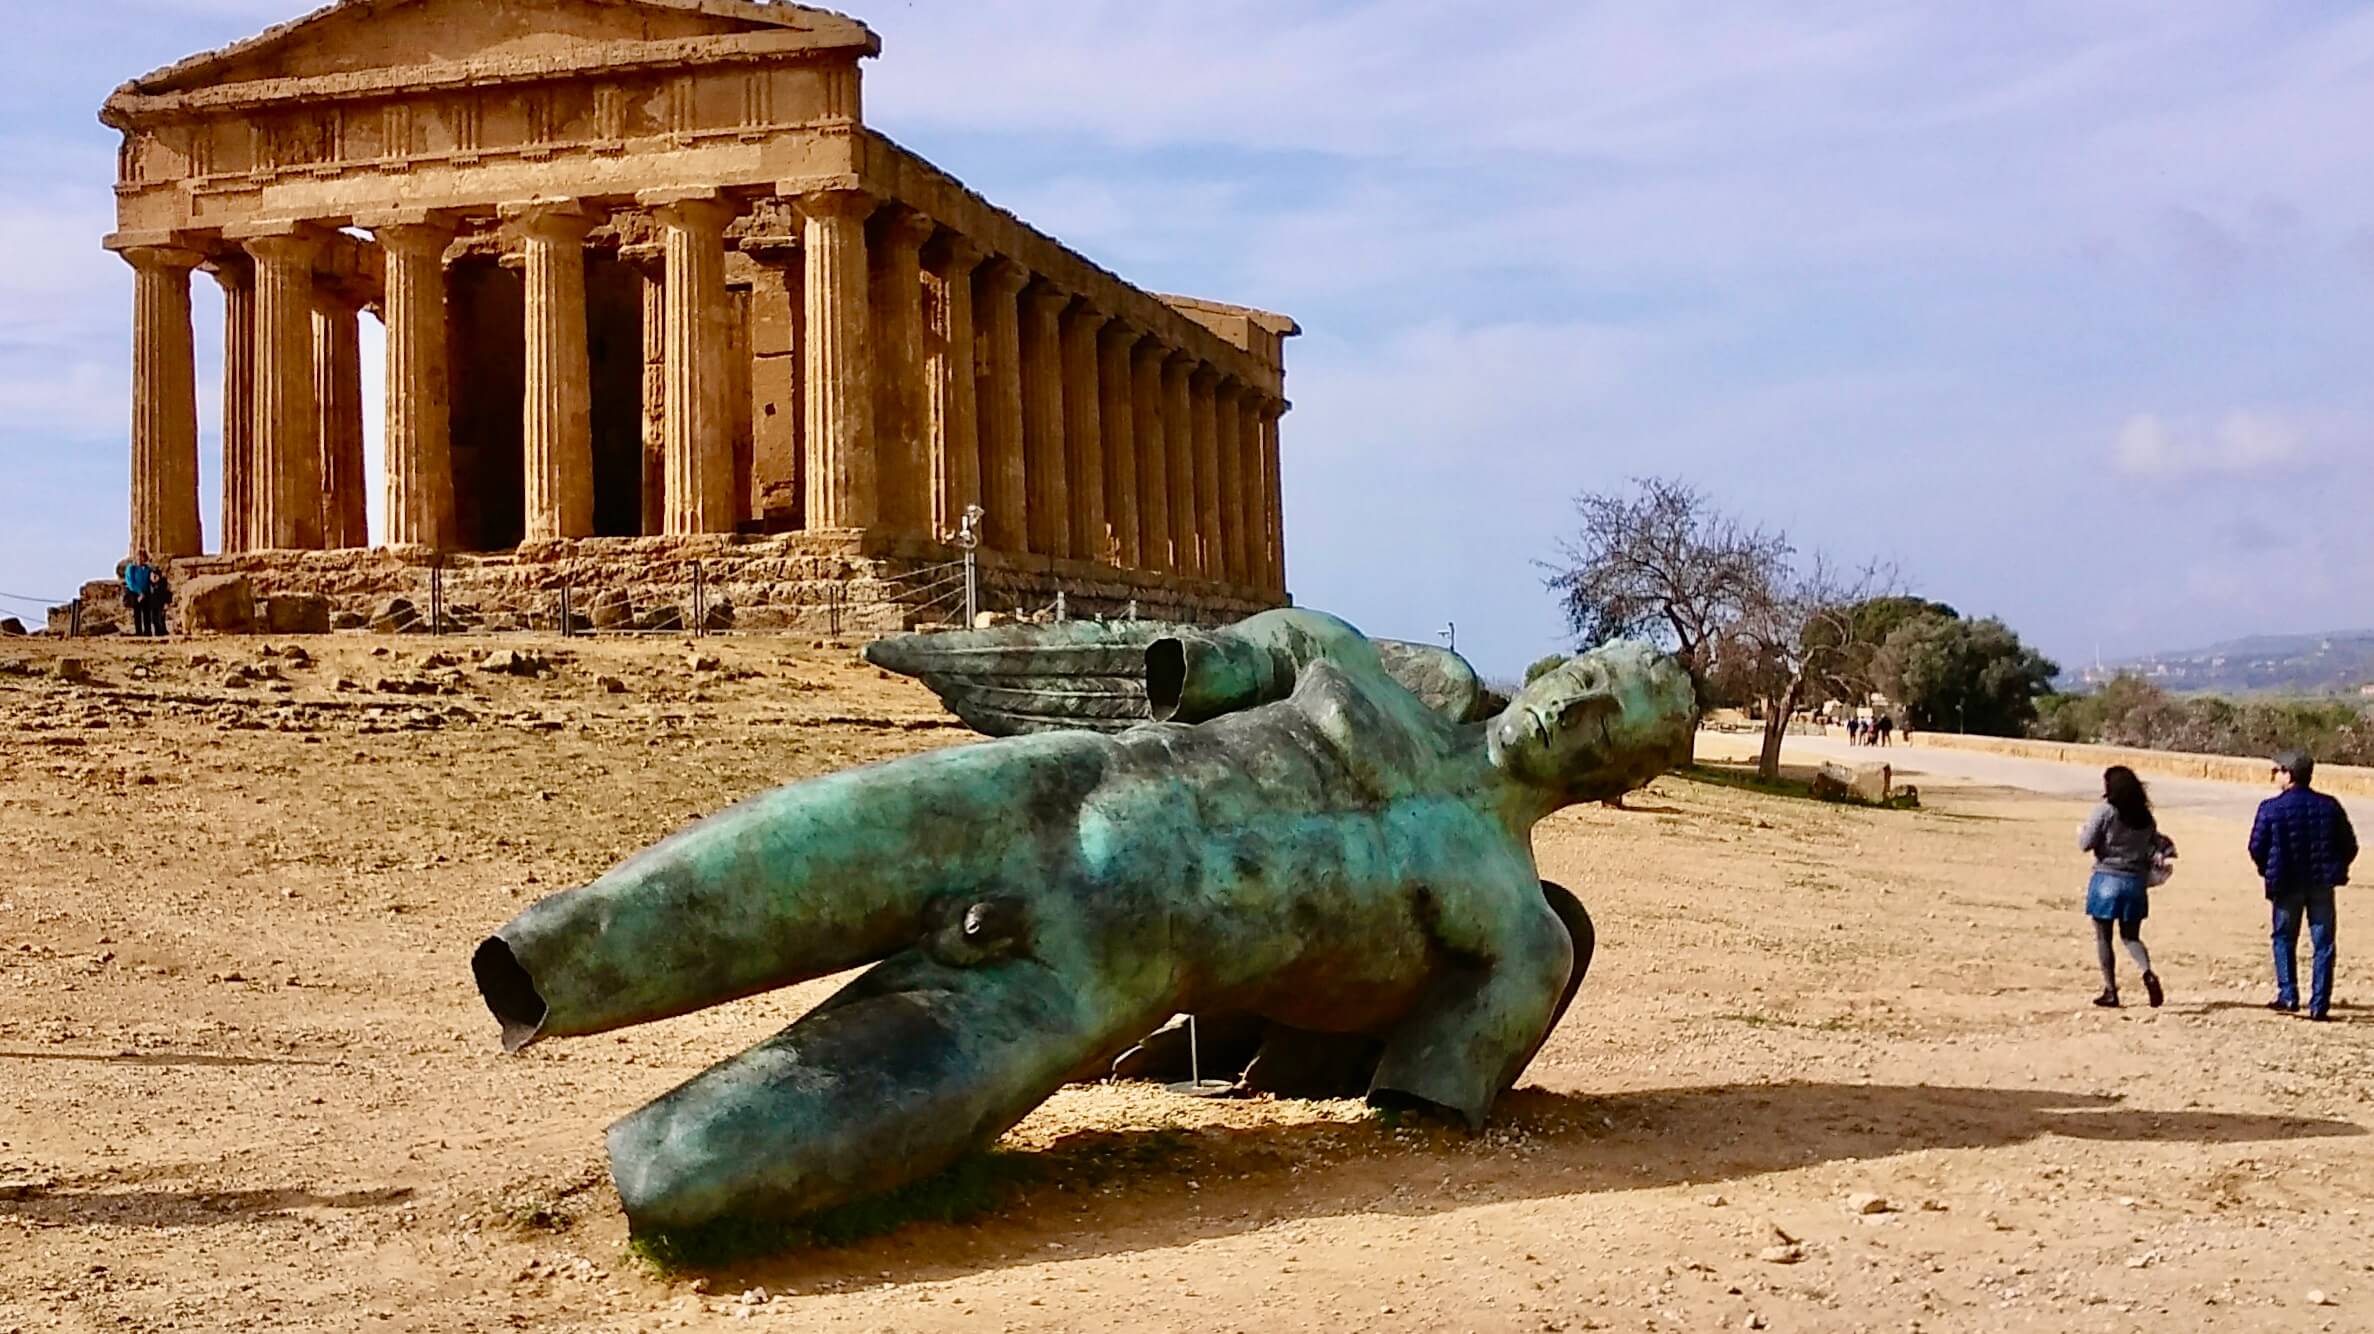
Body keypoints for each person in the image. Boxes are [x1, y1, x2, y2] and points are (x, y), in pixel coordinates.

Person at [2249, 750, 2357, 1021]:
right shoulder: (2330, 806)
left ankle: (2288, 995)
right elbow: (2349, 845)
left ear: (2289, 773)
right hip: (2321, 883)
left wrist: (2267, 869)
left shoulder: (2270, 808)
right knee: (2324, 944)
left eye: (2277, 771)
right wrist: (2336, 868)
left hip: (2285, 883)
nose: (2274, 776)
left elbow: (2256, 847)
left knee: (2284, 938)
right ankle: (2320, 1004)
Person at [2079, 765, 2171, 1008]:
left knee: (2103, 938)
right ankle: (2147, 972)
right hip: (2134, 883)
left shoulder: (2105, 812)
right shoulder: (2145, 818)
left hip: (2106, 880)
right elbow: (2154, 844)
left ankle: (2111, 990)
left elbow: (2085, 844)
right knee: (2131, 937)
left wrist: (2084, 831)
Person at [121, 552, 159, 637]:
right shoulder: (131, 568)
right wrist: (139, 592)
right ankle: (138, 632)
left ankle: (147, 632)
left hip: (145, 592)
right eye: (138, 558)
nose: (140, 560)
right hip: (135, 593)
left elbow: (150, 578)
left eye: (142, 558)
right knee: (137, 613)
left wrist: (154, 579)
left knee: (147, 613)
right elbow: (130, 582)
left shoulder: (147, 569)